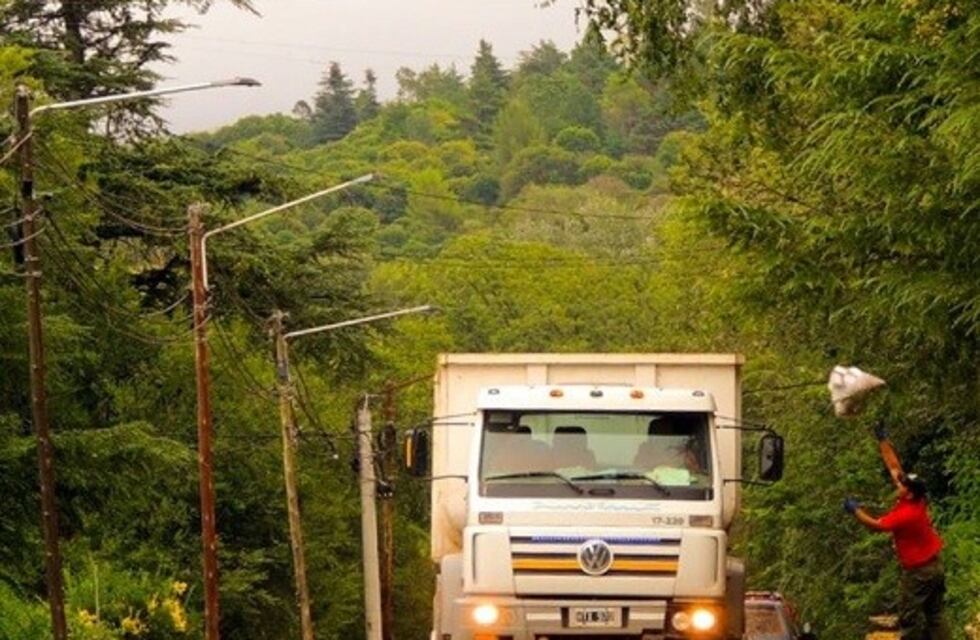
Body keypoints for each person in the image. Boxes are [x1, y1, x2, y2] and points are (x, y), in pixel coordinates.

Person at [843, 422, 950, 640]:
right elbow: (894, 468)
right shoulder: (917, 501)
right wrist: (883, 441)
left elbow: (876, 525)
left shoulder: (906, 515)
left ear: (909, 493)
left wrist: (856, 511)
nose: (898, 484)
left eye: (902, 485)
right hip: (935, 566)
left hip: (919, 572)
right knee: (935, 614)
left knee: (909, 617)